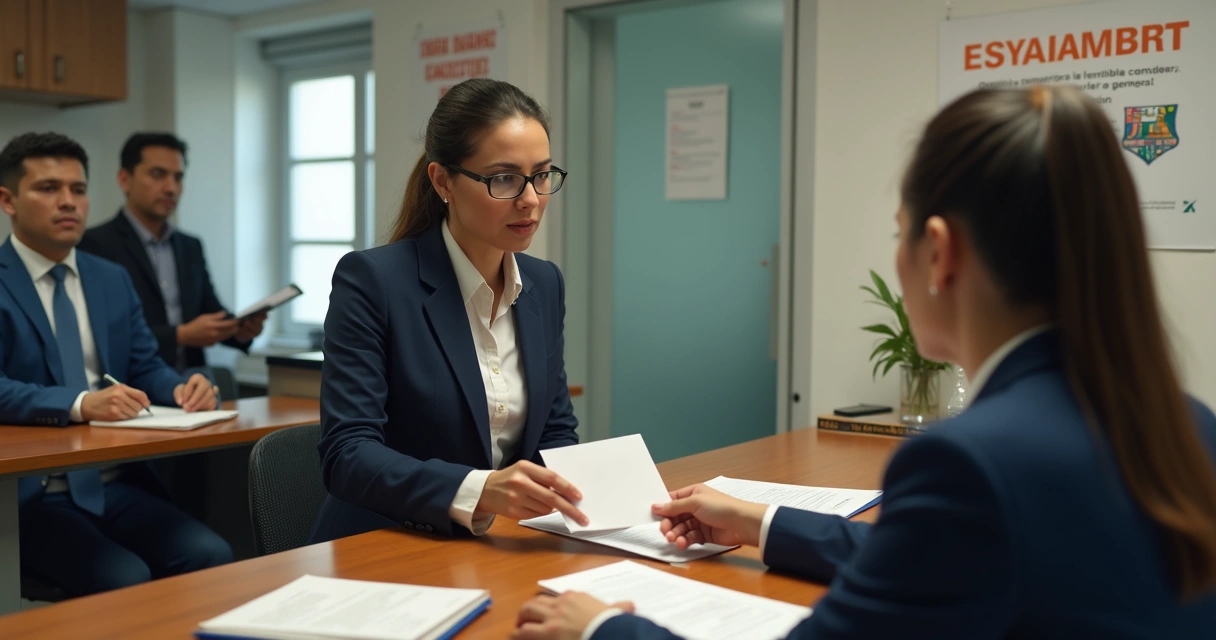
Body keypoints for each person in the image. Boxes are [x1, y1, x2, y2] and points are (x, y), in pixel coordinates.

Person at [513, 86, 1216, 639]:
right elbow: (945, 565)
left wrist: (605, 627)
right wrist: (759, 522)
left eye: (899, 233)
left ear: (938, 251)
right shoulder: (1189, 427)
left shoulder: (971, 464)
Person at [308, 78, 586, 543]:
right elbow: (347, 454)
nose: (531, 200)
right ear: (443, 182)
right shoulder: (373, 280)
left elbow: (554, 431)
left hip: (501, 545)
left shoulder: (543, 282)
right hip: (387, 543)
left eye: (541, 175)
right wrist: (481, 491)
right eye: (503, 179)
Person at [0, 132, 231, 596]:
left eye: (78, 190)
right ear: (7, 200)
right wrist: (81, 403)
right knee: (124, 578)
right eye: (48, 189)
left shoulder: (109, 278)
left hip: (115, 482)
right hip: (32, 493)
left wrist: (186, 386)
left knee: (212, 555)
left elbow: (145, 367)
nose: (68, 203)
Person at [77, 132, 267, 375]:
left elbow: (211, 312)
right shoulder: (94, 244)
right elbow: (103, 332)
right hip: (129, 389)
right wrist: (180, 336)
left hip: (194, 388)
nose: (171, 188)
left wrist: (239, 331)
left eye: (178, 178)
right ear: (125, 179)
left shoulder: (190, 246)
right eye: (158, 175)